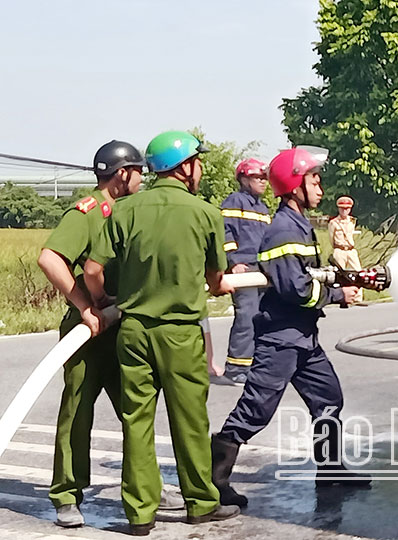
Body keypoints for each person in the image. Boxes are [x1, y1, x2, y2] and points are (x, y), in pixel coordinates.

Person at [84, 130, 240, 535]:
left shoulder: (124, 210)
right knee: (189, 419)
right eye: (198, 161)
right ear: (185, 166)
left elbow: (92, 270)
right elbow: (216, 278)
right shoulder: (205, 213)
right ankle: (201, 503)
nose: (200, 168)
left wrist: (105, 301)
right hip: (180, 333)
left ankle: (139, 514)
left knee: (136, 421)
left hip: (133, 331)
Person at [210, 147, 370, 509]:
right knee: (255, 410)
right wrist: (336, 294)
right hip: (281, 339)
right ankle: (213, 482)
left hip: (302, 338)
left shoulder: (297, 224)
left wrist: (343, 280)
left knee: (328, 397)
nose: (320, 189)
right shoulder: (284, 229)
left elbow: (305, 275)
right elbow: (294, 288)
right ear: (295, 184)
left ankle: (330, 471)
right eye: (314, 181)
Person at [37, 141, 184, 528]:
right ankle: (67, 495)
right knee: (78, 411)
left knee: (137, 414)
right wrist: (86, 306)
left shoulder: (131, 213)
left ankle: (147, 489)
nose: (142, 179)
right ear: (123, 174)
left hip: (125, 330)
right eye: (139, 172)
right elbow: (50, 258)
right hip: (89, 335)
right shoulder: (90, 212)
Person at [218, 158, 271, 384]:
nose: (262, 182)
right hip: (243, 269)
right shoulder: (234, 201)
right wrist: (233, 262)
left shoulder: (263, 207)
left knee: (262, 317)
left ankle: (256, 364)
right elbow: (225, 234)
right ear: (243, 179)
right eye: (257, 178)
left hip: (261, 270)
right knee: (246, 317)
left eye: (264, 178)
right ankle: (236, 367)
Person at [327, 196, 362, 304]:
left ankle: (357, 298)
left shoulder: (352, 221)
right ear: (338, 209)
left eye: (347, 208)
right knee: (338, 275)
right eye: (342, 208)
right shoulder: (333, 223)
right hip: (340, 250)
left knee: (359, 273)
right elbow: (331, 238)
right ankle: (341, 297)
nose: (344, 211)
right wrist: (337, 248)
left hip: (351, 250)